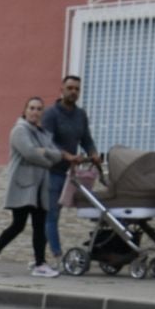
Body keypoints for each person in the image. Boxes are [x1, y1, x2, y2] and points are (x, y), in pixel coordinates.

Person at [0, 96, 61, 277]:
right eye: (32, 108)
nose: (35, 112)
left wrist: (46, 152)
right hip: (23, 185)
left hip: (40, 186)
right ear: (25, 111)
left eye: (39, 109)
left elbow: (57, 155)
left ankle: (40, 264)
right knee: (18, 225)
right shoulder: (19, 130)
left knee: (39, 225)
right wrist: (47, 161)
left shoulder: (42, 133)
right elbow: (29, 153)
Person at [40, 74, 98, 262]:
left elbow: (86, 139)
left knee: (58, 213)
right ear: (62, 90)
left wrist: (93, 152)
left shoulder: (80, 115)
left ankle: (40, 255)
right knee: (52, 215)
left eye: (77, 89)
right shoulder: (51, 114)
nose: (73, 92)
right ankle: (56, 255)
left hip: (70, 173)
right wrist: (67, 155)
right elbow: (47, 142)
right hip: (53, 171)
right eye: (70, 88)